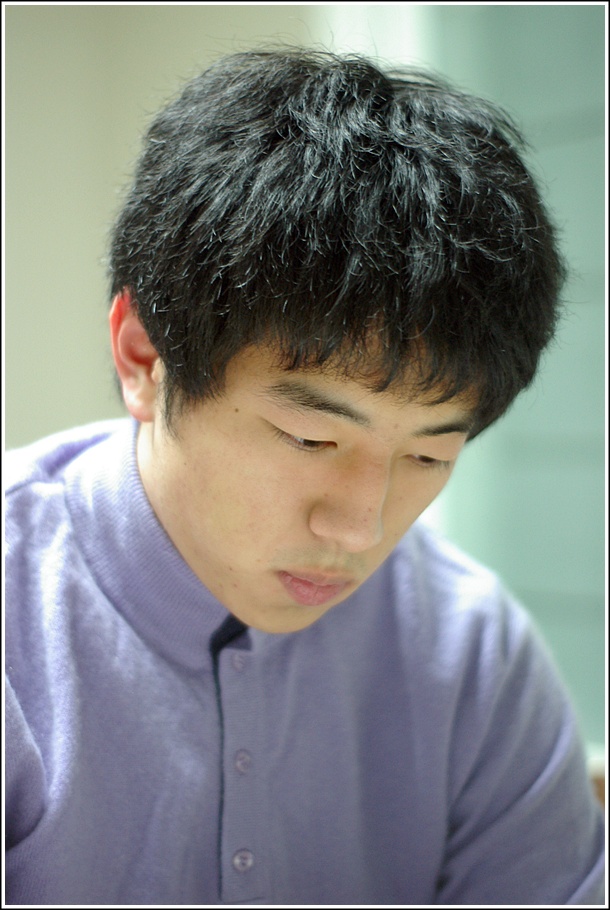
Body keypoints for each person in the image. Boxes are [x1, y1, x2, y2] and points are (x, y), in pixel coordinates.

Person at [5, 47, 604, 906]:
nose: (361, 528)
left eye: (429, 456)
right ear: (144, 356)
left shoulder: (471, 653)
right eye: (311, 438)